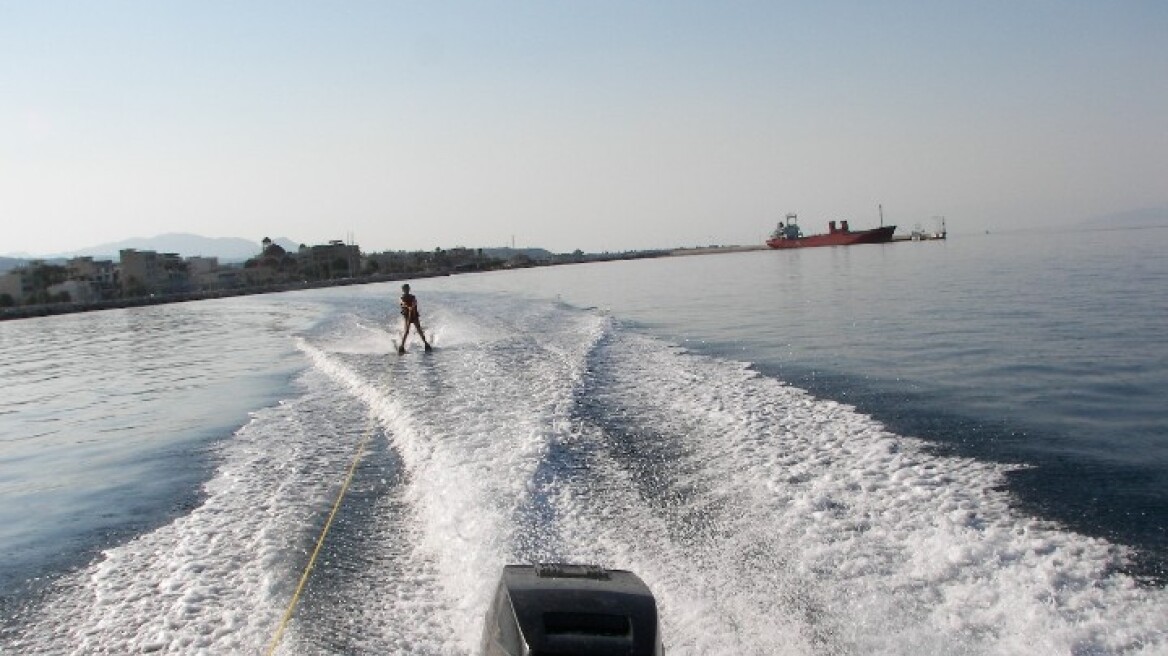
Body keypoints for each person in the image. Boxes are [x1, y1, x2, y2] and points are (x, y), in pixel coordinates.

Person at [397, 283, 431, 353]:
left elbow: (415, 302)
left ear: (409, 289)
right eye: (405, 289)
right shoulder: (401, 298)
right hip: (407, 316)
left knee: (419, 330)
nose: (406, 290)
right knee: (406, 331)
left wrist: (412, 305)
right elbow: (402, 303)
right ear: (403, 290)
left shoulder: (413, 297)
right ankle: (402, 346)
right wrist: (406, 306)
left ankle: (426, 344)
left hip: (414, 315)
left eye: (407, 289)